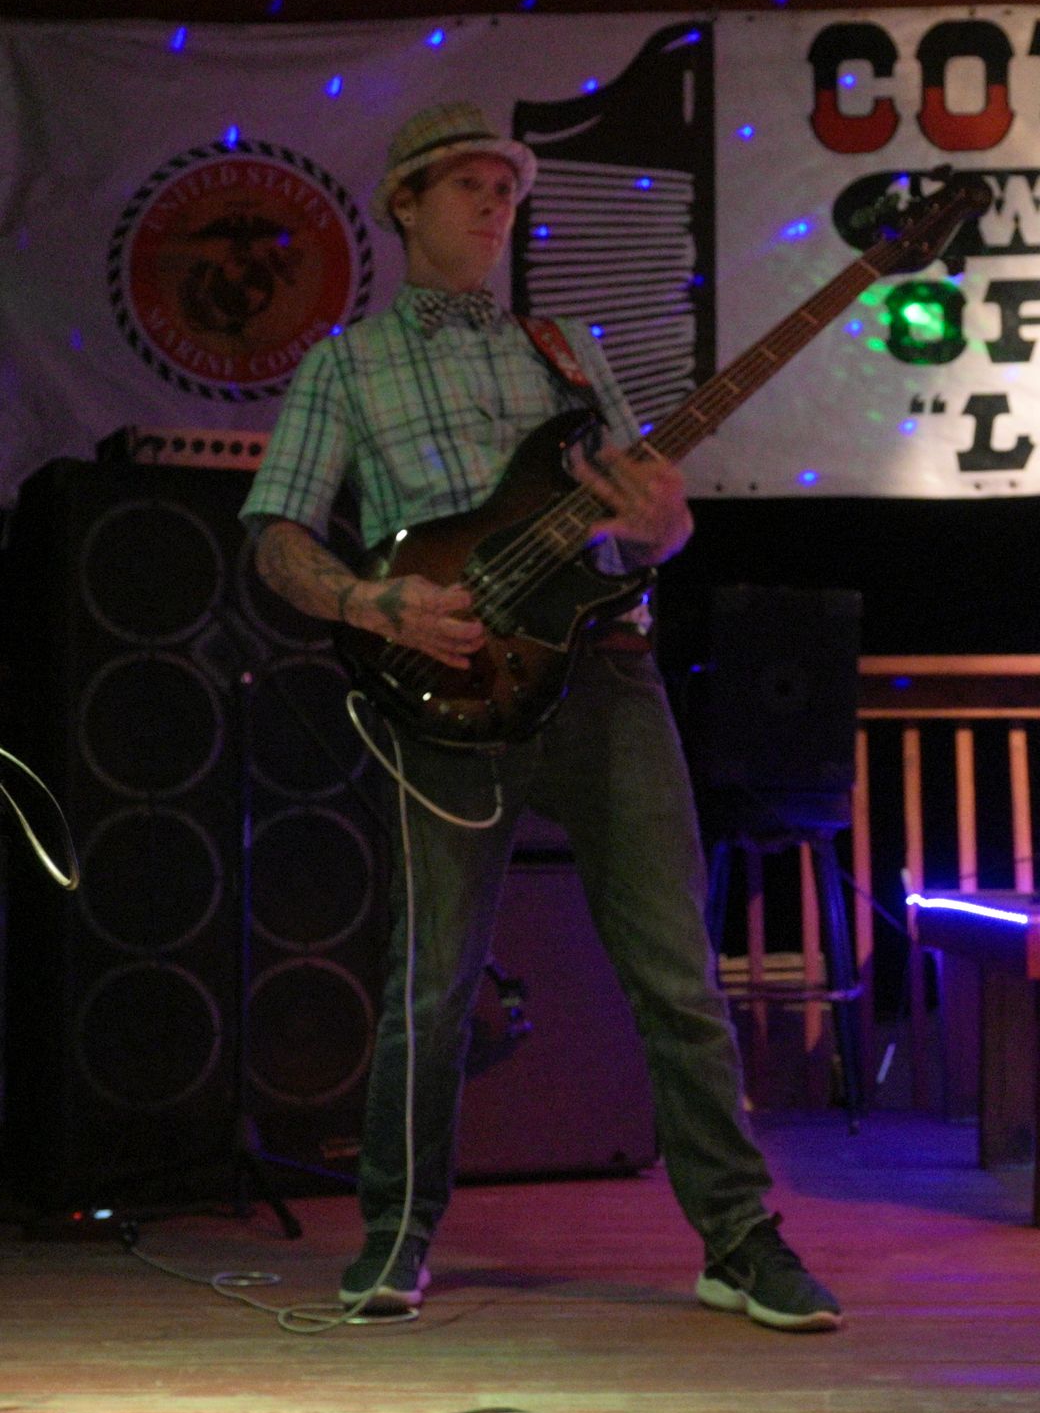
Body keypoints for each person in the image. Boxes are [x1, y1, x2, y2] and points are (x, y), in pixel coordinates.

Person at [239, 101, 843, 1332]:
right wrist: (375, 602)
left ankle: (737, 1238)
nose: (493, 203)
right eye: (467, 183)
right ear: (404, 203)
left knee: (675, 971)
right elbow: (275, 537)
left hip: (602, 672)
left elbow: (637, 523)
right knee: (431, 979)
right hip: (442, 683)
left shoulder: (564, 351)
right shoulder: (345, 365)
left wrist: (665, 524)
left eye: (506, 187)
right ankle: (396, 1229)